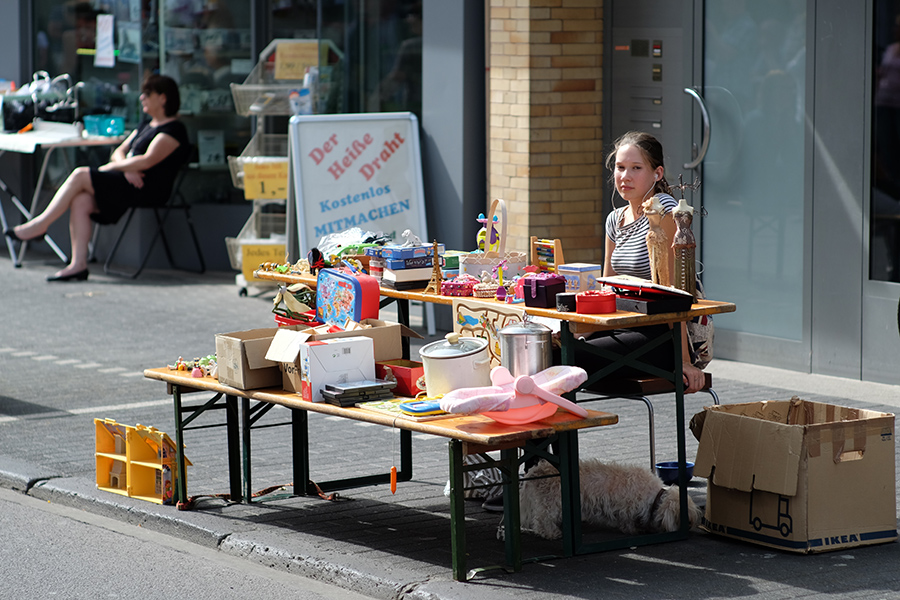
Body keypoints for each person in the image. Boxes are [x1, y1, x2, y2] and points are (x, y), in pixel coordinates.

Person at [4, 74, 190, 282]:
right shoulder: (146, 124)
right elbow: (119, 151)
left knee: (80, 174)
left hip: (147, 189)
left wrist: (116, 167)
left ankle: (40, 224)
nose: (141, 98)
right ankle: (78, 265)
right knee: (80, 200)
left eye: (148, 94)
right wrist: (126, 168)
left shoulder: (174, 130)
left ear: (163, 98)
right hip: (126, 182)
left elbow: (147, 161)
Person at [568, 131, 706, 393]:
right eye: (620, 167)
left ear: (657, 173)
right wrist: (580, 329)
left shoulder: (663, 210)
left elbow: (673, 293)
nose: (625, 176)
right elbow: (606, 289)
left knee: (569, 359)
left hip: (663, 336)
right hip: (624, 326)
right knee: (550, 349)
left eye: (636, 168)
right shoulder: (614, 219)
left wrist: (684, 361)